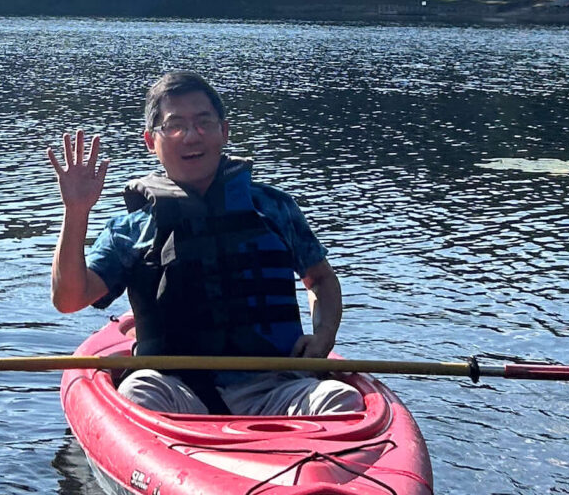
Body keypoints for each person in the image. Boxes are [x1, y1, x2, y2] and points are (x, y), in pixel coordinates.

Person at [46, 69, 360, 416]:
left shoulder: (272, 207)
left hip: (277, 386)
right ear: (151, 141)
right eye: (175, 125)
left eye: (203, 123)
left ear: (224, 131)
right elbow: (69, 298)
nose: (191, 136)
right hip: (176, 391)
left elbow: (321, 279)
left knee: (340, 400)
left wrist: (324, 334)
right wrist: (75, 212)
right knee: (138, 392)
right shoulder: (132, 227)